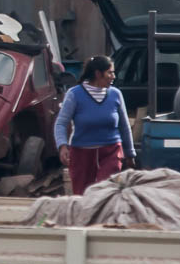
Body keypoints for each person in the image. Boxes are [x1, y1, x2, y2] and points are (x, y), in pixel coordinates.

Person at [53, 55, 135, 195]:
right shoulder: (75, 94)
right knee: (82, 194)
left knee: (105, 191)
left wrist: (130, 153)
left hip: (111, 151)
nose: (113, 76)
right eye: (110, 72)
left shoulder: (116, 94)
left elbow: (124, 126)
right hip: (82, 153)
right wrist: (62, 145)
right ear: (98, 73)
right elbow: (61, 123)